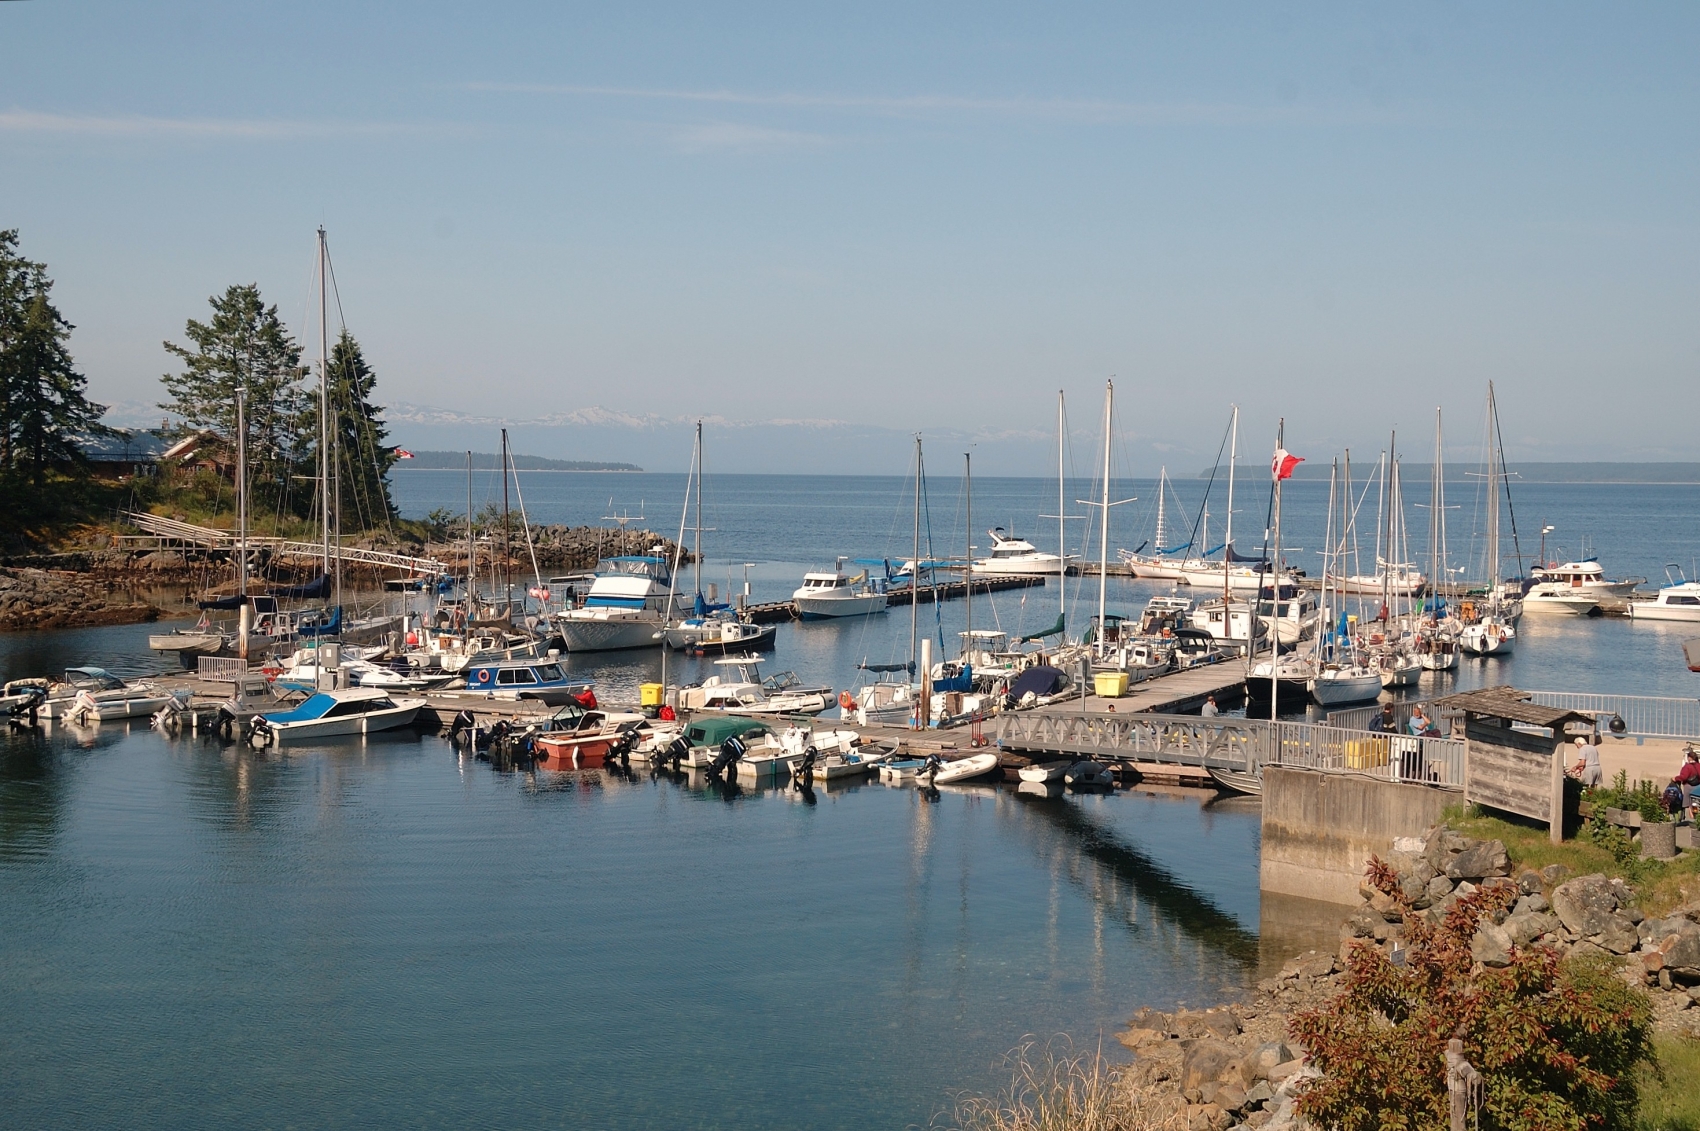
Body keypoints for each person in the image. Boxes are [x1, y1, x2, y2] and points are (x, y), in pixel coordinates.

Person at [1672, 747, 1700, 820]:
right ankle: (1697, 818)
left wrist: (1675, 778)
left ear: (1690, 758)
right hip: (1698, 787)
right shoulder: (1699, 765)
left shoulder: (1687, 767)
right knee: (1697, 803)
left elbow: (1683, 777)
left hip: (1689, 786)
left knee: (1690, 805)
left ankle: (1692, 819)